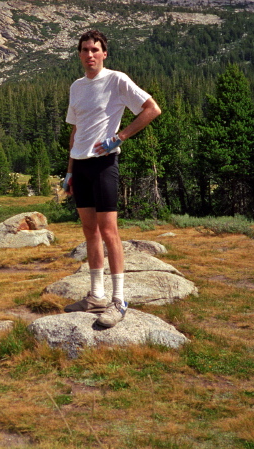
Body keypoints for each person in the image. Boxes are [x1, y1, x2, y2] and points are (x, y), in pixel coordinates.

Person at [62, 30, 161, 328]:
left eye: (95, 49)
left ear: (104, 53)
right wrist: (68, 171)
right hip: (80, 167)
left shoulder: (117, 80)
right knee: (90, 232)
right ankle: (96, 296)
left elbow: (151, 109)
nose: (89, 55)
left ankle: (119, 301)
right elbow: (76, 131)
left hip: (104, 164)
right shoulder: (76, 87)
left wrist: (120, 137)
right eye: (84, 50)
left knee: (109, 232)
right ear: (79, 54)